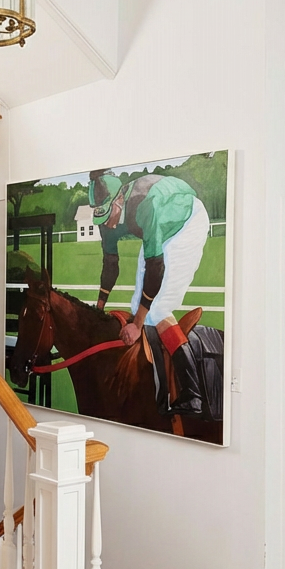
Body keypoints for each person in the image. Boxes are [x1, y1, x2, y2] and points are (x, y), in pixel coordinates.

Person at [89, 168, 211, 414]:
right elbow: (110, 265)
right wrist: (98, 309)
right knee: (138, 306)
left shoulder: (146, 207)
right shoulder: (109, 217)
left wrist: (136, 325)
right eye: (101, 219)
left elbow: (156, 269)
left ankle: (192, 393)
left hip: (186, 220)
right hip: (158, 226)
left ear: (120, 199)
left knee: (156, 309)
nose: (108, 224)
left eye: (109, 216)